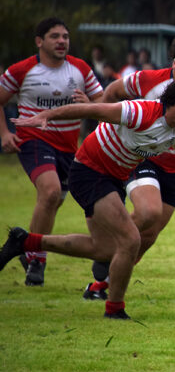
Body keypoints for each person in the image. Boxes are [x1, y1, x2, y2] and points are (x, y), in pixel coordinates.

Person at [0, 78, 175, 319]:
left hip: (114, 178)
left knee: (102, 249)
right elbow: (90, 109)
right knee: (130, 239)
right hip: (89, 171)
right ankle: (114, 309)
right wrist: (47, 115)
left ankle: (25, 242)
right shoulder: (140, 112)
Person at [82, 34, 175, 300]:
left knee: (149, 235)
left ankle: (103, 284)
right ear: (173, 62)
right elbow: (112, 91)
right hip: (143, 157)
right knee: (148, 212)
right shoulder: (148, 80)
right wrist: (106, 122)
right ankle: (109, 247)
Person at [0, 17, 103, 286]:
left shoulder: (80, 69)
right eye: (55, 36)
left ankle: (26, 246)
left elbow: (104, 103)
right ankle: (37, 260)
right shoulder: (22, 70)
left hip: (69, 147)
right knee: (50, 192)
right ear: (39, 42)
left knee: (53, 201)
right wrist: (4, 133)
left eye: (65, 36)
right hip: (34, 139)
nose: (61, 41)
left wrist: (89, 102)